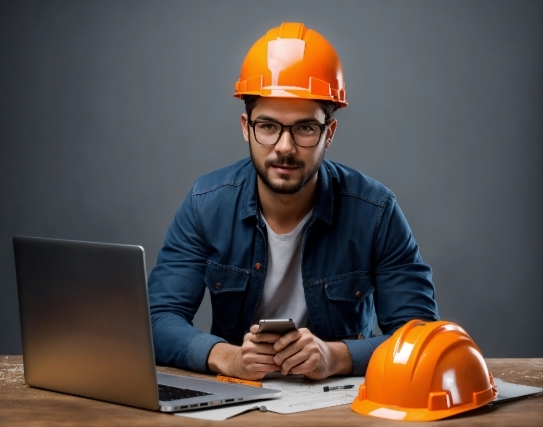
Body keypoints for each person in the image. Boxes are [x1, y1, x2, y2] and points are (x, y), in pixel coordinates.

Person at [148, 22, 438, 381]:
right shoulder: (205, 205)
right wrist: (228, 358)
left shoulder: (375, 212)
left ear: (328, 133)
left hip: (341, 406)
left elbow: (421, 337)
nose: (284, 147)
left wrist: (336, 357)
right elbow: (157, 319)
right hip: (236, 402)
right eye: (268, 126)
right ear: (246, 127)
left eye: (304, 128)